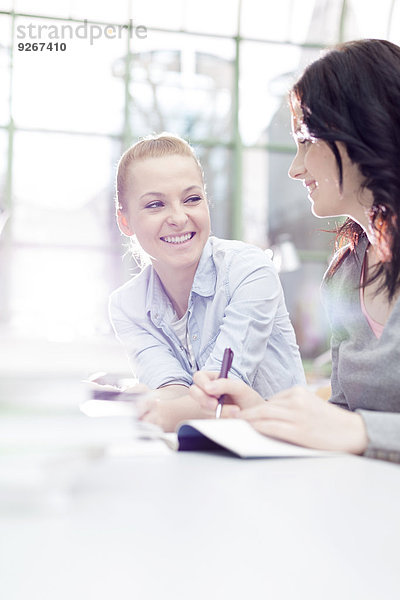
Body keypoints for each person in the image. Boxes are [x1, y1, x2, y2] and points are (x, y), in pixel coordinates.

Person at [190, 39, 400, 462]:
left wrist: (359, 430)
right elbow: (341, 418)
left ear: (362, 131)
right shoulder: (344, 275)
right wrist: (265, 414)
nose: (295, 167)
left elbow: (354, 428)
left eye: (307, 140)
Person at [109, 133, 305, 431]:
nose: (178, 217)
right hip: (203, 459)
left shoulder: (248, 270)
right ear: (125, 221)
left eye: (192, 199)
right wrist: (145, 401)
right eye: (155, 205)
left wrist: (152, 412)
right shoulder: (128, 305)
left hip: (284, 452)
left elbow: (224, 393)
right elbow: (171, 387)